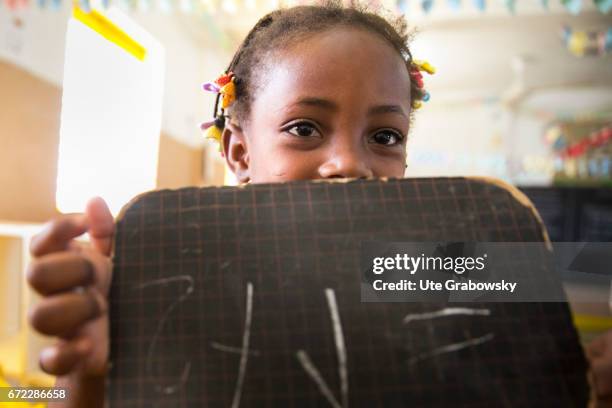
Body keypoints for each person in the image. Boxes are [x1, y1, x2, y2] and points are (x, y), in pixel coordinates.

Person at [25, 2, 612, 407]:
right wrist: (90, 375)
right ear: (238, 149)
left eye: (385, 137)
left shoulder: (421, 267)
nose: (350, 163)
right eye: (305, 128)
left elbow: (572, 277)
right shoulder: (174, 274)